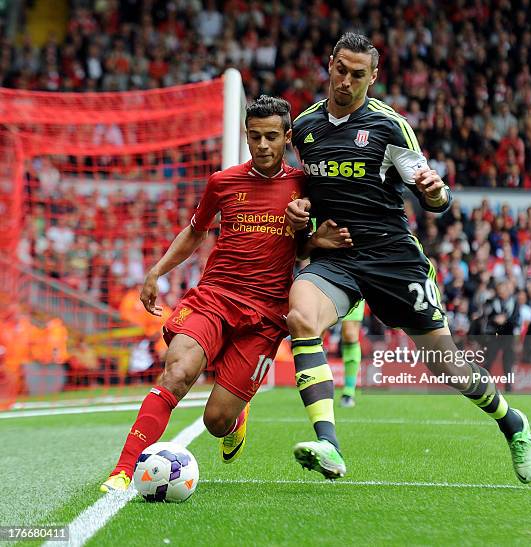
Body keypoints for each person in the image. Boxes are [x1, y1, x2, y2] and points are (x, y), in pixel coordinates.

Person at [284, 33, 531, 483]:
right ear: (329, 64)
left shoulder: (389, 126)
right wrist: (306, 227)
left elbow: (432, 193)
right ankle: (329, 444)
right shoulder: (304, 128)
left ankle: (511, 421)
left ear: (374, 77)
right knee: (301, 318)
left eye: (358, 74)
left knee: (446, 364)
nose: (346, 81)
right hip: (337, 255)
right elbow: (305, 193)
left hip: (392, 257)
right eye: (340, 69)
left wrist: (436, 192)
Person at [100, 96, 353, 492]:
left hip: (266, 314)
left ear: (288, 137)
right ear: (245, 136)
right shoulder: (222, 182)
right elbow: (196, 231)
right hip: (215, 296)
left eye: (272, 136)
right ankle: (123, 469)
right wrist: (157, 270)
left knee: (215, 422)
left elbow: (300, 246)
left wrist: (316, 240)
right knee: (178, 372)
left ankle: (236, 415)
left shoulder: (304, 185)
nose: (263, 145)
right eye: (255, 136)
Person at [339, 300, 364, 408]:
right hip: (325, 284)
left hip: (354, 284)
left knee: (350, 334)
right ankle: (316, 388)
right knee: (318, 332)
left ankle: (348, 392)